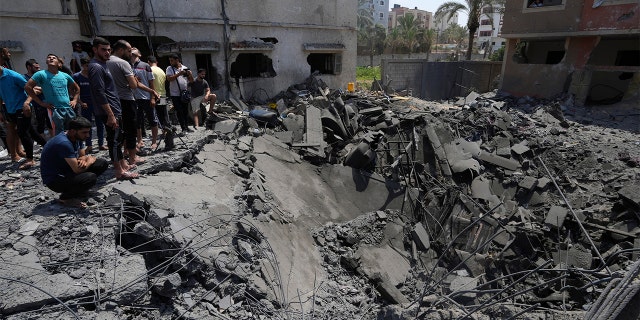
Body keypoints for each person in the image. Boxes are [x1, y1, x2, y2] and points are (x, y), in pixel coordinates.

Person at [88, 36, 138, 180]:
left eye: (109, 50)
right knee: (114, 141)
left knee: (118, 137)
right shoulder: (96, 67)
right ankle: (119, 171)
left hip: (115, 108)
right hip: (110, 111)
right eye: (103, 50)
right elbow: (99, 92)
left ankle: (123, 165)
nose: (107, 53)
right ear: (95, 49)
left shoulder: (104, 64)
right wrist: (110, 114)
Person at [107, 40, 156, 166]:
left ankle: (124, 155)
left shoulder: (105, 62)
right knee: (131, 129)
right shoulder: (123, 63)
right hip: (126, 99)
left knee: (119, 130)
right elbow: (134, 85)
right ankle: (133, 157)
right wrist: (133, 81)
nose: (130, 54)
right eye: (129, 51)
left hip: (112, 100)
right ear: (121, 50)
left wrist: (151, 91)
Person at [40, 116, 108, 208]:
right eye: (84, 132)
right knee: (90, 177)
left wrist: (84, 159)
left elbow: (82, 154)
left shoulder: (76, 137)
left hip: (67, 170)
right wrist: (89, 161)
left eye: (88, 132)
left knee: (102, 163)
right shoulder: (64, 143)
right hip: (55, 180)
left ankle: (79, 191)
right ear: (72, 131)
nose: (87, 135)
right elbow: (77, 170)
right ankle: (66, 198)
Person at [0, 65, 48, 169]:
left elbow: (30, 89)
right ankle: (49, 146)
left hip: (22, 108)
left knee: (22, 132)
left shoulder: (13, 76)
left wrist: (27, 103)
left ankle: (30, 159)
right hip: (10, 109)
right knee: (31, 132)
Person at [25, 54, 79, 135]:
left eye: (54, 58)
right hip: (54, 109)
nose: (51, 58)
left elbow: (77, 88)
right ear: (46, 61)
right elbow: (28, 87)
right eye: (49, 58)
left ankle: (73, 148)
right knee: (58, 135)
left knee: (73, 133)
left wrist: (74, 100)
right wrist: (41, 103)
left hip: (68, 108)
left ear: (58, 62)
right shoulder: (41, 74)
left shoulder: (65, 75)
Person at [73, 57, 106, 153]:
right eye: (87, 66)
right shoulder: (77, 76)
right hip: (85, 104)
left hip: (97, 103)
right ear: (83, 65)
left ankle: (101, 144)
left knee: (100, 124)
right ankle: (89, 145)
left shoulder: (94, 75)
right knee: (87, 125)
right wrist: (80, 102)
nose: (89, 68)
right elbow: (73, 91)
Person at [130, 48, 159, 151]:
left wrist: (152, 97)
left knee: (152, 120)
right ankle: (139, 140)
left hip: (146, 97)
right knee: (137, 121)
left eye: (134, 51)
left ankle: (154, 141)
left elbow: (151, 83)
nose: (132, 52)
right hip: (134, 98)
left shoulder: (145, 66)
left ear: (139, 54)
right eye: (130, 51)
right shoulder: (128, 66)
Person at [24, 59, 52, 141]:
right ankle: (44, 142)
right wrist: (37, 89)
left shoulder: (41, 76)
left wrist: (39, 89)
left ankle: (54, 140)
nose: (38, 69)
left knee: (51, 122)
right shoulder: (24, 78)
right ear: (29, 67)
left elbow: (47, 87)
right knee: (40, 125)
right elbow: (29, 89)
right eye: (36, 67)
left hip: (47, 102)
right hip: (35, 104)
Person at [166, 53, 194, 133]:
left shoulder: (184, 68)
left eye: (172, 61)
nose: (171, 62)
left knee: (185, 111)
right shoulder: (169, 68)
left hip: (184, 94)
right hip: (175, 94)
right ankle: (183, 128)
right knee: (179, 111)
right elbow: (169, 79)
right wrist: (179, 74)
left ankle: (186, 127)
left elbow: (191, 81)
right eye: (170, 61)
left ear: (177, 60)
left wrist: (190, 75)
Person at [148, 56, 171, 134]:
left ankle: (164, 130)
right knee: (164, 113)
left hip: (155, 95)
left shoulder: (150, 70)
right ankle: (166, 130)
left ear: (149, 62)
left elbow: (150, 83)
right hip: (163, 94)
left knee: (158, 114)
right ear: (156, 62)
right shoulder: (161, 71)